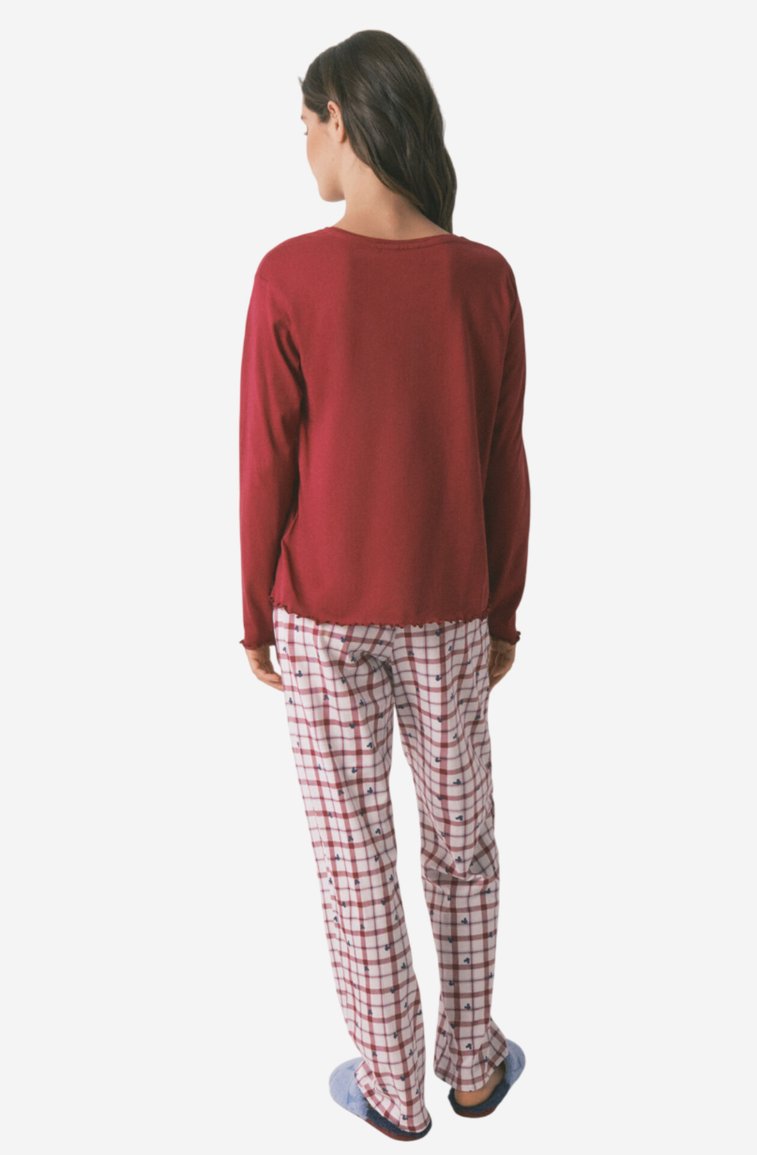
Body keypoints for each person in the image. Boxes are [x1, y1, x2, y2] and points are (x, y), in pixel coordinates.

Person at [238, 29, 530, 1141]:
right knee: (461, 840)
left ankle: (394, 1092)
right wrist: (502, 610)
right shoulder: (482, 278)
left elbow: (264, 459)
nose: (303, 145)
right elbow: (501, 460)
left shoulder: (288, 275)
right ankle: (472, 1069)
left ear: (343, 121)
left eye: (305, 122)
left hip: (319, 612)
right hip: (449, 605)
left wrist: (252, 613)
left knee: (354, 857)